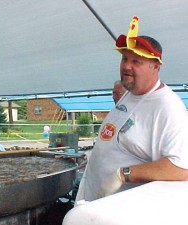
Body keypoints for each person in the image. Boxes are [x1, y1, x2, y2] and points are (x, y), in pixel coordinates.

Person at [75, 16, 188, 203]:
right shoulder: (130, 92)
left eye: (137, 62)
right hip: (95, 203)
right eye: (124, 58)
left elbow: (181, 168)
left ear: (155, 67)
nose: (127, 66)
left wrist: (123, 174)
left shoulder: (168, 108)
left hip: (123, 209)